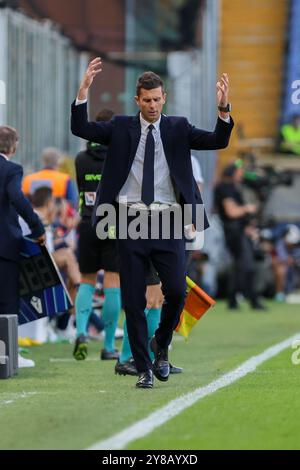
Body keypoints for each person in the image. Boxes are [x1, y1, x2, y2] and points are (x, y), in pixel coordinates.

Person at [71, 58, 234, 388]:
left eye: (157, 99)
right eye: (147, 100)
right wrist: (83, 91)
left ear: (165, 98)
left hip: (169, 219)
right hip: (130, 220)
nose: (153, 105)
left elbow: (218, 140)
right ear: (137, 101)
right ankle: (144, 369)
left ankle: (161, 344)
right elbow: (81, 129)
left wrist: (224, 108)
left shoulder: (178, 127)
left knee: (176, 290)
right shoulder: (119, 127)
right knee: (132, 298)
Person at [73, 109, 121, 361]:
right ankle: (109, 345)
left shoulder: (81, 158)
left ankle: (81, 332)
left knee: (86, 280)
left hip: (87, 222)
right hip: (112, 222)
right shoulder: (118, 157)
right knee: (113, 282)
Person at [0, 126, 45, 368]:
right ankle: (8, 356)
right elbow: (16, 197)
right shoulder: (11, 169)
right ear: (13, 147)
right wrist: (37, 228)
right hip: (4, 245)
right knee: (7, 301)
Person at [214, 163, 266, 310]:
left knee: (241, 266)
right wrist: (248, 208)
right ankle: (249, 299)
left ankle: (236, 300)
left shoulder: (233, 188)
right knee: (245, 266)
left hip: (240, 231)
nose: (241, 175)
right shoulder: (225, 188)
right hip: (234, 232)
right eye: (239, 172)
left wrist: (248, 227)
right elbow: (232, 212)